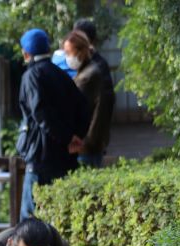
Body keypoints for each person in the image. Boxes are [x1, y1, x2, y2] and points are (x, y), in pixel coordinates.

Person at [16, 28, 89, 220]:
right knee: (58, 217)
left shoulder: (31, 76)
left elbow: (41, 114)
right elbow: (83, 107)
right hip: (65, 157)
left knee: (30, 219)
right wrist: (76, 138)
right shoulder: (62, 75)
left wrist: (67, 138)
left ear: (26, 53)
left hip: (41, 157)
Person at [63, 30, 115, 168]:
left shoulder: (89, 76)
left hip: (85, 146)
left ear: (81, 51)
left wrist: (87, 142)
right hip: (87, 144)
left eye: (69, 53)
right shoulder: (87, 72)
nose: (67, 57)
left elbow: (98, 112)